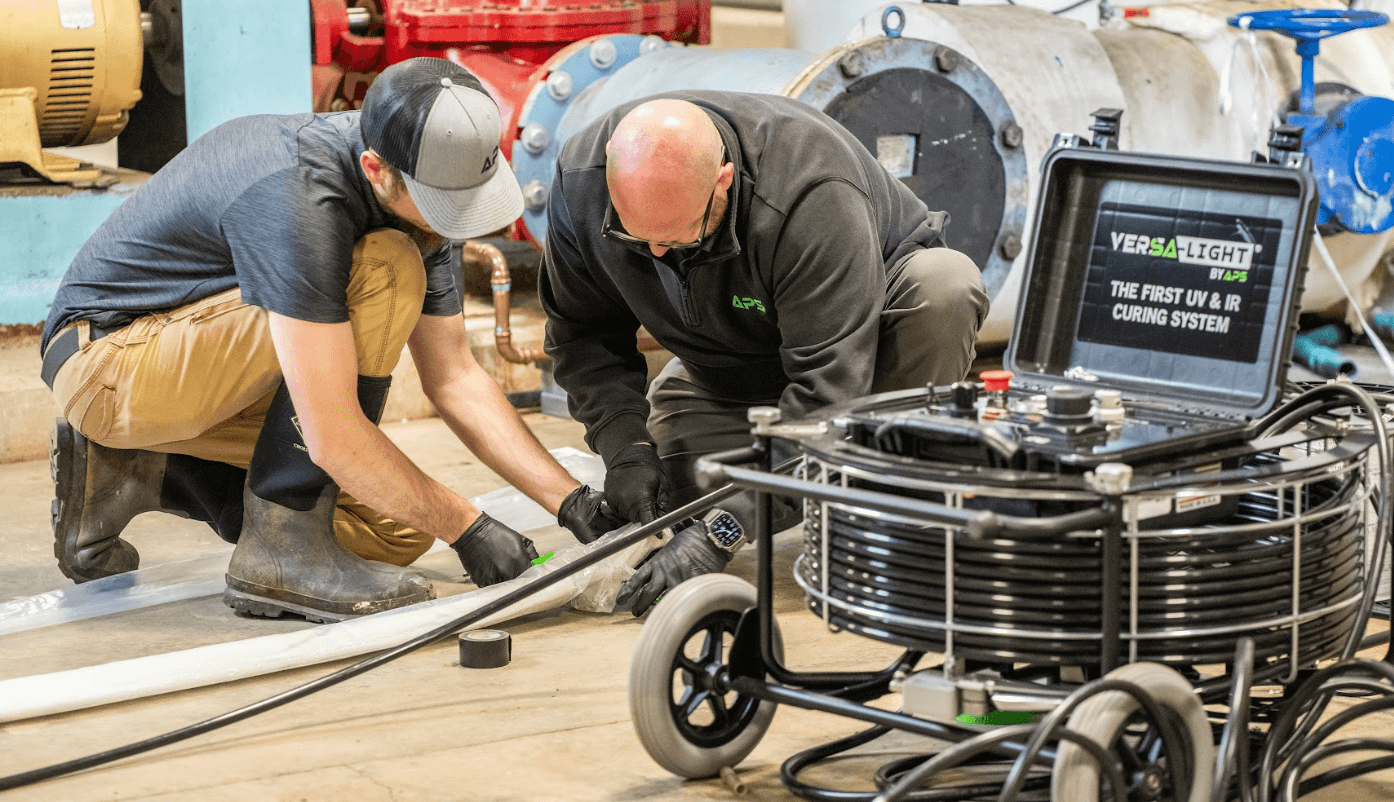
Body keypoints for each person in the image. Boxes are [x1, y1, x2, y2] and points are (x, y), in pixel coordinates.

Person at [40, 57, 622, 623]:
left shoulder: (420, 190)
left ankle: (138, 471)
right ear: (376, 169)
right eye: (444, 205)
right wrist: (469, 525)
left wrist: (571, 501)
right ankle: (281, 547)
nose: (454, 222)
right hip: (109, 365)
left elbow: (456, 379)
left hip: (186, 374)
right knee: (388, 270)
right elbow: (334, 434)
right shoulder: (302, 197)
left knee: (398, 531)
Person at [540, 92, 989, 615]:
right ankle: (792, 479)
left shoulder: (809, 192)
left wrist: (723, 531)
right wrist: (626, 449)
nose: (657, 255)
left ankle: (886, 496)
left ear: (724, 181)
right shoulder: (582, 181)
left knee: (945, 286)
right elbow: (582, 335)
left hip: (865, 367)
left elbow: (828, 397)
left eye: (676, 239)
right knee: (669, 499)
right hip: (731, 376)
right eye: (639, 241)